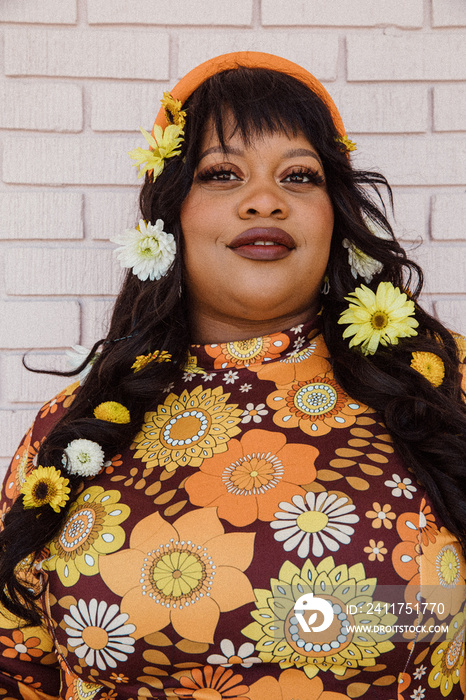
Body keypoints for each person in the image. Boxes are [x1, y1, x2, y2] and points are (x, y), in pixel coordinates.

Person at [0, 51, 465, 700]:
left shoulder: (442, 394)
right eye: (222, 173)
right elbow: (18, 668)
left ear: (337, 217)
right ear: (169, 218)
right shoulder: (73, 433)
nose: (265, 201)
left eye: (299, 176)